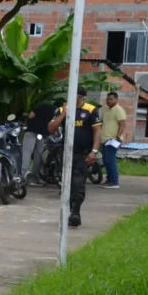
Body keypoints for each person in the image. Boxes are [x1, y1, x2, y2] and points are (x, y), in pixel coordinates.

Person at [47, 85, 101, 227]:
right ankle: (69, 210)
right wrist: (64, 114)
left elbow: (97, 132)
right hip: (65, 153)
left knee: (78, 183)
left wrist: (94, 152)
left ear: (81, 96)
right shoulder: (60, 110)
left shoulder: (90, 110)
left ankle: (75, 212)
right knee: (66, 183)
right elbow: (51, 128)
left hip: (83, 153)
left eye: (74, 94)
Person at [23, 100, 56, 185]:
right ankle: (34, 178)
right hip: (42, 134)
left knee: (27, 152)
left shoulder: (41, 105)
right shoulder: (56, 111)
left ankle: (23, 176)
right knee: (39, 155)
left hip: (31, 131)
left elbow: (31, 116)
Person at [100, 91, 126, 189]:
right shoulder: (106, 110)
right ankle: (109, 180)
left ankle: (114, 182)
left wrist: (117, 137)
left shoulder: (118, 110)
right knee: (106, 160)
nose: (108, 101)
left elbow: (122, 124)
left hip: (113, 140)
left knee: (110, 160)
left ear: (116, 99)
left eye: (111, 99)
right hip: (105, 139)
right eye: (107, 99)